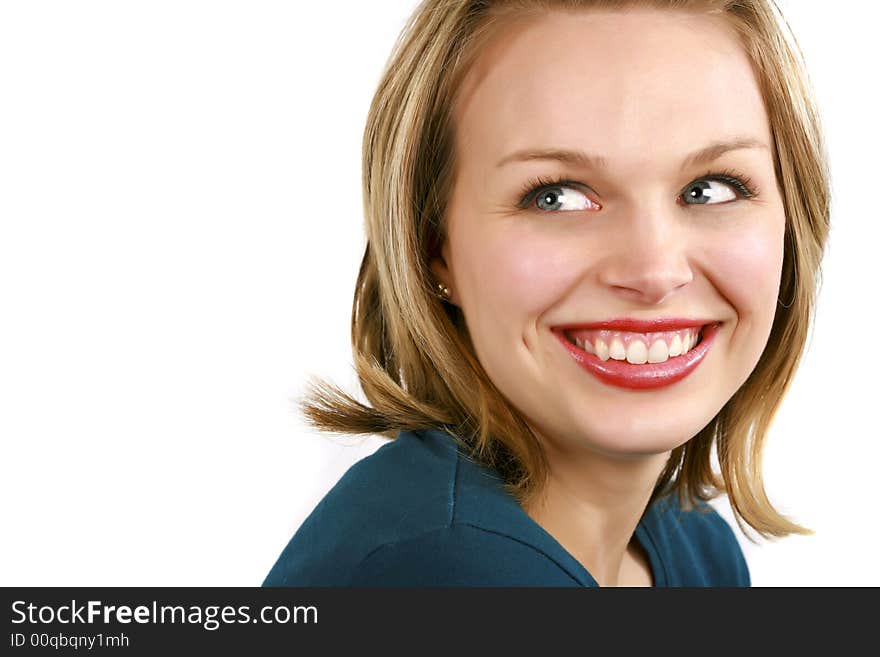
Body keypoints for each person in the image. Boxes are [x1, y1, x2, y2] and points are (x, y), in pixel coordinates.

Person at [263, 0, 829, 587]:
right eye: (556, 196)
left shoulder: (697, 547)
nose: (655, 270)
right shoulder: (441, 573)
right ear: (435, 246)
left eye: (711, 189)